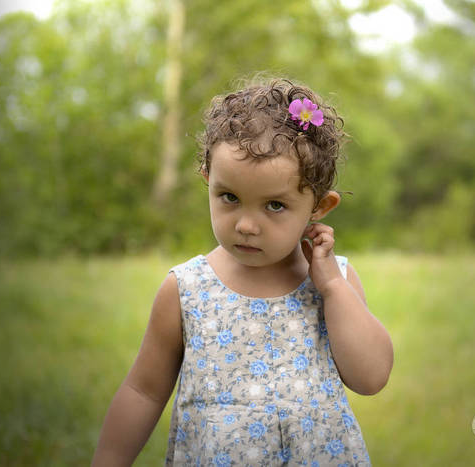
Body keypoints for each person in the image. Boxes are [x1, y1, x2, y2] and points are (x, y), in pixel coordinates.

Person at [92, 77, 394, 466]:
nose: (247, 225)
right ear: (208, 182)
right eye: (230, 198)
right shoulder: (186, 289)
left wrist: (333, 287)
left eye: (274, 205)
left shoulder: (334, 280)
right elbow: (143, 392)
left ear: (319, 207)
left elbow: (371, 378)